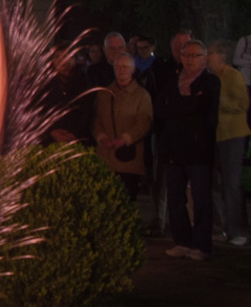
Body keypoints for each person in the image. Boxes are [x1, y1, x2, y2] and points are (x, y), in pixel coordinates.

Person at [154, 40, 220, 260]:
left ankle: (201, 244)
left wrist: (177, 106)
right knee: (175, 197)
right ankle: (182, 240)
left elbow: (200, 109)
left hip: (199, 147)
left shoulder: (210, 82)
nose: (190, 59)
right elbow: (160, 109)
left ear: (204, 58)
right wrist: (185, 105)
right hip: (174, 147)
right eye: (187, 55)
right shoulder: (171, 80)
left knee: (200, 198)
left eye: (195, 55)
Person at [206, 40, 251, 247]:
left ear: (221, 56)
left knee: (231, 183)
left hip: (232, 136)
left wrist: (218, 100)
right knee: (213, 183)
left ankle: (238, 230)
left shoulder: (232, 76)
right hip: (213, 136)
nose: (207, 57)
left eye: (211, 53)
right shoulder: (209, 78)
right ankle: (218, 228)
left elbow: (243, 104)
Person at [93, 52, 153, 200]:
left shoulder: (141, 95)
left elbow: (144, 123)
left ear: (133, 69)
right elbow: (96, 119)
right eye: (118, 67)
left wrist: (125, 139)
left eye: (125, 67)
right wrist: (102, 138)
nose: (121, 70)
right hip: (105, 156)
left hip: (129, 159)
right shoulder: (104, 94)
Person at [44, 45, 93, 145]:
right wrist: (52, 131)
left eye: (66, 55)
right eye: (57, 56)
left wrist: (74, 133)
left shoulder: (84, 80)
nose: (62, 60)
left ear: (73, 58)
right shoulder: (45, 83)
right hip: (52, 140)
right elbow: (40, 111)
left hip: (78, 138)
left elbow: (88, 110)